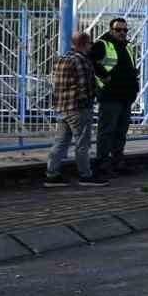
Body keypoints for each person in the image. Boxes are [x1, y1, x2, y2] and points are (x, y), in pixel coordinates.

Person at [45, 31, 106, 188]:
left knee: (60, 142)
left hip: (62, 107)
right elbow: (86, 87)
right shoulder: (83, 61)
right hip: (78, 109)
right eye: (90, 44)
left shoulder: (61, 59)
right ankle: (85, 175)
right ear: (86, 44)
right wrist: (94, 99)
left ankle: (52, 175)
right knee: (82, 143)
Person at [90, 16, 140, 175]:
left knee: (121, 131)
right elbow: (92, 63)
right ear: (111, 30)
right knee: (107, 131)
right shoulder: (102, 44)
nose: (122, 32)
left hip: (126, 96)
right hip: (110, 96)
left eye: (125, 30)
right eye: (118, 29)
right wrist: (104, 76)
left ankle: (118, 162)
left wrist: (134, 87)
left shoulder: (128, 46)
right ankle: (102, 163)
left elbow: (131, 68)